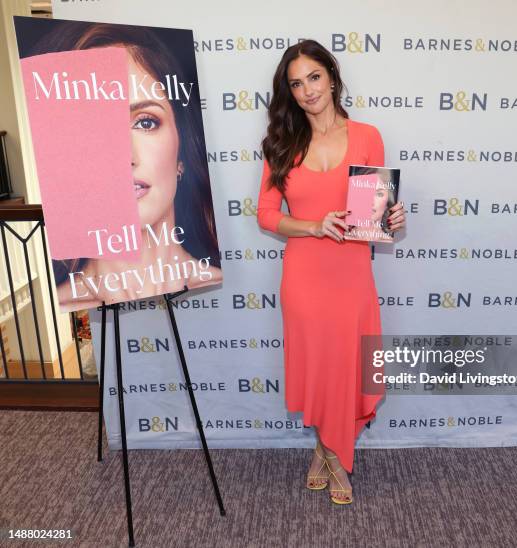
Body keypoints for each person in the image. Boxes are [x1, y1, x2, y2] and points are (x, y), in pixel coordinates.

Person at [257, 40, 406, 504]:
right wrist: (314, 225)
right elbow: (265, 214)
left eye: (314, 78)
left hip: (351, 275)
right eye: (296, 83)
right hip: (304, 275)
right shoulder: (281, 143)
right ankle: (335, 455)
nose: (307, 91)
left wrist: (391, 219)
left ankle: (326, 450)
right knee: (320, 370)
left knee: (347, 368)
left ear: (332, 77)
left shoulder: (366, 135)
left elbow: (369, 219)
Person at [24, 21, 222, 311]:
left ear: (181, 152)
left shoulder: (209, 278)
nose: (123, 155)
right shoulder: (64, 303)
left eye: (145, 122)